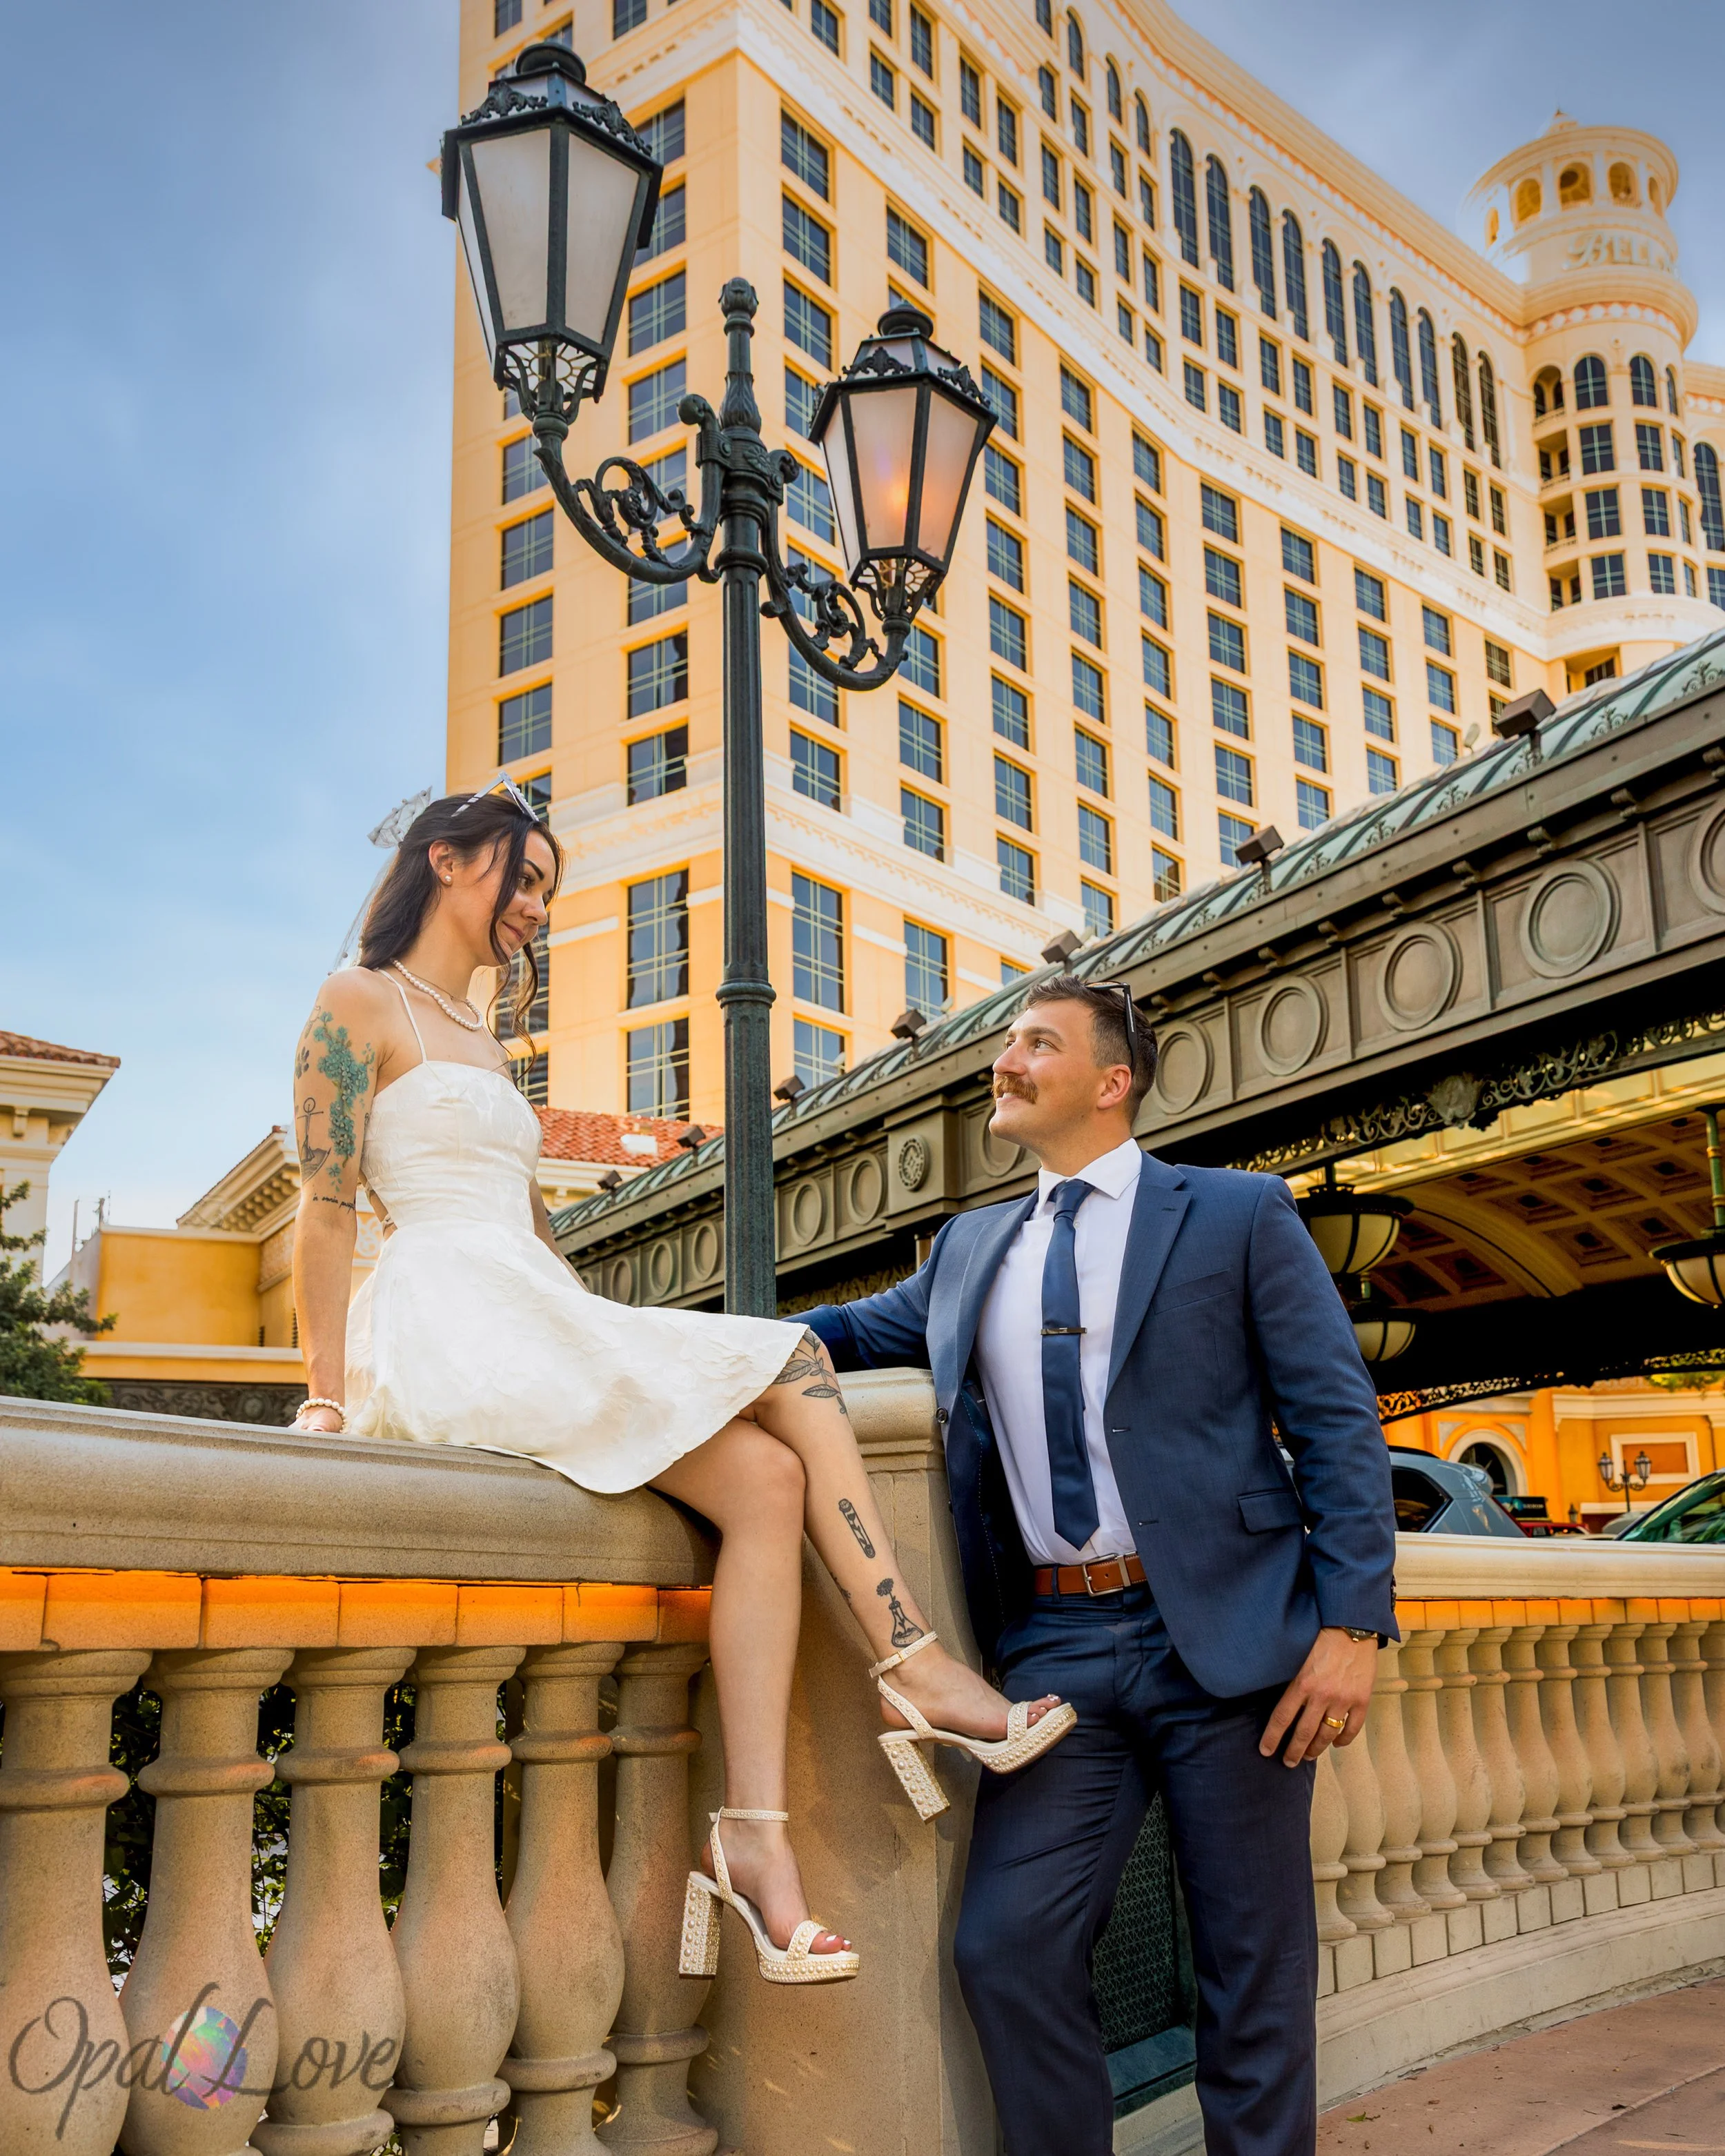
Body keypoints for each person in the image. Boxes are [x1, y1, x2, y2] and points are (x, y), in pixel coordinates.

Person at [286, 783, 1074, 1986]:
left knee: (761, 1483)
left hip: (528, 1299)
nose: (538, 908)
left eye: (549, 888)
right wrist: (325, 1397)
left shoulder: (483, 1034)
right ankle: (910, 1657)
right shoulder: (357, 1002)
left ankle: (753, 1843)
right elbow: (328, 1210)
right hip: (445, 1309)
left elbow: (531, 1229)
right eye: (526, 877)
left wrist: (607, 1325)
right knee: (798, 1355)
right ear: (446, 861)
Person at [800, 976, 1396, 2154]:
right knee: (1007, 1945)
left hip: (1234, 1642)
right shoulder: (969, 1250)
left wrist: (1352, 1628)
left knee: (1250, 1966)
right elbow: (834, 1336)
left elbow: (1337, 1421)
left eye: (1034, 1044)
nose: (1003, 1064)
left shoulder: (1235, 1214)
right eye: (1005, 1045)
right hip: (1058, 1649)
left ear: (1111, 1081)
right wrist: (617, 1347)